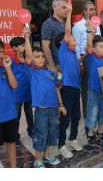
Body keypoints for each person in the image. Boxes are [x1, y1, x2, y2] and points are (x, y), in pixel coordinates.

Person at [24, 27, 67, 168]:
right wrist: (26, 37)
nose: (41, 59)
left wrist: (61, 104)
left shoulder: (49, 73)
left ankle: (48, 156)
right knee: (40, 134)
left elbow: (57, 88)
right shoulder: (32, 72)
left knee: (51, 134)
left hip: (54, 109)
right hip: (42, 110)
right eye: (38, 57)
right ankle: (38, 160)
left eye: (42, 56)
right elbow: (29, 56)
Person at [55, 3, 83, 159]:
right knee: (65, 119)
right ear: (64, 42)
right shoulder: (63, 50)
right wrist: (70, 13)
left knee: (76, 116)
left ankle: (72, 139)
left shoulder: (73, 53)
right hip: (66, 88)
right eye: (70, 37)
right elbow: (66, 30)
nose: (73, 37)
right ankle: (61, 145)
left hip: (76, 88)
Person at [72, 2, 100, 118]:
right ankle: (87, 114)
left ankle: (98, 112)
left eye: (94, 9)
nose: (93, 11)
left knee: (97, 85)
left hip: (97, 58)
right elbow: (76, 46)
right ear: (84, 11)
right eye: (90, 9)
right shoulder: (77, 26)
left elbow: (100, 41)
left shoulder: (97, 25)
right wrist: (80, 62)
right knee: (86, 88)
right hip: (85, 58)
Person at [84, 26, 103, 146]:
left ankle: (100, 131)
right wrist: (90, 33)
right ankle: (90, 133)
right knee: (92, 112)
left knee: (102, 112)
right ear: (94, 49)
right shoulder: (91, 58)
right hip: (93, 91)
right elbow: (88, 45)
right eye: (100, 46)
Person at [9, 37, 33, 145]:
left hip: (29, 92)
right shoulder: (11, 61)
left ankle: (31, 131)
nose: (25, 47)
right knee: (16, 116)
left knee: (29, 114)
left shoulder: (29, 59)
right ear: (15, 47)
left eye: (25, 44)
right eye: (22, 45)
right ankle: (15, 136)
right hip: (17, 94)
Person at [0, 40, 18, 168]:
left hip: (9, 113)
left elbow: (14, 85)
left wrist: (7, 68)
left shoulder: (6, 67)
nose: (1, 54)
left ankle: (13, 168)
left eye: (2, 51)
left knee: (11, 142)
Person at [41, 0, 68, 72]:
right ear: (54, 8)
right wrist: (52, 65)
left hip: (66, 62)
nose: (66, 10)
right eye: (63, 7)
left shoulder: (64, 22)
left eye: (67, 8)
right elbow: (45, 45)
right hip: (57, 65)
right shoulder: (48, 23)